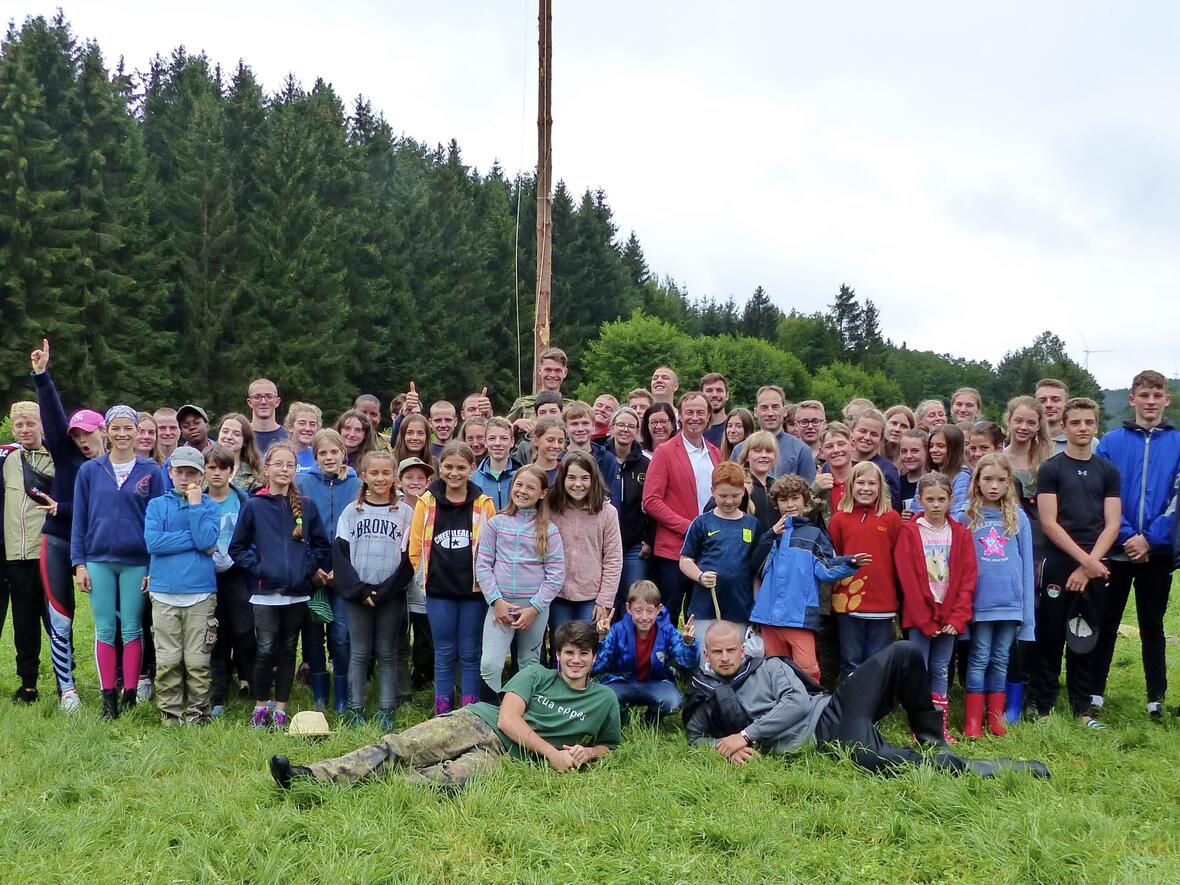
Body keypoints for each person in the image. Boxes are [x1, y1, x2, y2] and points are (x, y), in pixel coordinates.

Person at [269, 621, 620, 790]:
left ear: (593, 657)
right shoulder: (536, 675)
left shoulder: (604, 700)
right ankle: (311, 776)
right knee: (403, 747)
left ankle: (368, 793)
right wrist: (553, 755)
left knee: (446, 781)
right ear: (557, 655)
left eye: (583, 654)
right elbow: (509, 720)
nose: (575, 660)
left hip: (506, 758)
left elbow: (610, 745)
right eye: (568, 653)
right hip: (481, 723)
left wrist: (589, 754)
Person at [683, 621, 1048, 778]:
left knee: (904, 650)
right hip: (828, 739)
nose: (727, 657)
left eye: (732, 649)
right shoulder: (704, 691)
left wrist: (746, 735)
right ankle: (990, 768)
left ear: (743, 648)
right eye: (718, 652)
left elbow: (795, 703)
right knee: (884, 760)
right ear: (707, 653)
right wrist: (724, 746)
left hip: (832, 707)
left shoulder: (769, 667)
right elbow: (695, 739)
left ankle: (932, 738)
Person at [1092, 371, 1179, 720]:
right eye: (1144, 395)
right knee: (1107, 620)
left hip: (1157, 551)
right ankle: (1094, 691)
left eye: (1157, 395)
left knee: (1152, 624)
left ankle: (1156, 696)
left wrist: (1152, 537)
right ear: (1132, 399)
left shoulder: (1177, 442)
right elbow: (1105, 493)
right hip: (1118, 548)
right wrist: (1127, 535)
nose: (1150, 401)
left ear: (1166, 400)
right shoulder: (1112, 442)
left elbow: (1178, 497)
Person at [1030, 397, 1120, 728]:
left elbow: (1112, 523)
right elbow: (1050, 523)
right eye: (1076, 423)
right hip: (1059, 562)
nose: (1083, 428)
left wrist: (1090, 565)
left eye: (1089, 423)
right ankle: (1043, 706)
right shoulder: (1051, 469)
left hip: (1095, 563)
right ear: (1064, 427)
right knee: (1051, 635)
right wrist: (1082, 562)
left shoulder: (1107, 471)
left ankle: (1083, 709)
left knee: (1086, 636)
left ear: (1096, 426)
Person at [71, 405, 165, 719]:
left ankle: (130, 695)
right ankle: (108, 697)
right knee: (105, 629)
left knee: (132, 629)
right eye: (117, 428)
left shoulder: (150, 471)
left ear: (139, 432)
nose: (123, 434)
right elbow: (79, 521)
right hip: (98, 559)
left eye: (129, 428)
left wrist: (153, 567)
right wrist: (79, 563)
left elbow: (159, 521)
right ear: (106, 432)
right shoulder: (90, 471)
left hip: (137, 561)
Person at [229, 442, 330, 729]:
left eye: (290, 465)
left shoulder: (306, 506)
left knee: (288, 650)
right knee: (265, 648)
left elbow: (322, 546)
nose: (284, 470)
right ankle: (261, 707)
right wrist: (260, 569)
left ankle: (281, 709)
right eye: (279, 464)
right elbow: (237, 548)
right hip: (264, 593)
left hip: (296, 593)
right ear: (266, 468)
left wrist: (304, 570)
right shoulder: (254, 505)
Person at [30, 338, 102, 712]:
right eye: (76, 435)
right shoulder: (68, 456)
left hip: (102, 548)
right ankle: (67, 689)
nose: (81, 440)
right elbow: (55, 420)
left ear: (102, 430)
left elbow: (104, 511)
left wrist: (64, 506)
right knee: (60, 615)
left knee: (114, 618)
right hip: (57, 542)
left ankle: (120, 682)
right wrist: (43, 378)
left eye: (87, 433)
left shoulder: (115, 468)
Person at [750, 475, 865, 682]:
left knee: (807, 670)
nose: (790, 504)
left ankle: (809, 708)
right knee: (773, 669)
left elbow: (827, 569)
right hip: (768, 617)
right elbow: (757, 566)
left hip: (799, 617)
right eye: (784, 500)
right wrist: (771, 536)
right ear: (776, 504)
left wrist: (850, 563)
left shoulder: (814, 535)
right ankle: (776, 709)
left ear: (805, 501)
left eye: (795, 498)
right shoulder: (771, 534)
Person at [410, 441, 496, 715]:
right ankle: (443, 710)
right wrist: (421, 578)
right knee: (445, 652)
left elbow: (493, 546)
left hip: (474, 592)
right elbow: (414, 547)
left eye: (461, 467)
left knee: (471, 652)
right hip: (439, 591)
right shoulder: (427, 501)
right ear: (440, 468)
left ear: (472, 468)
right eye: (448, 466)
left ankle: (469, 711)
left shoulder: (484, 503)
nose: (454, 473)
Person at [333, 450, 415, 729]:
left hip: (390, 594)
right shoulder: (350, 512)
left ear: (395, 477)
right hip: (358, 595)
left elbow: (408, 559)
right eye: (374, 473)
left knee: (387, 652)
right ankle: (356, 708)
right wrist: (360, 591)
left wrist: (385, 591)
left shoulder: (405, 513)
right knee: (359, 651)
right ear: (363, 475)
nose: (380, 478)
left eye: (386, 473)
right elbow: (341, 556)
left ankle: (386, 709)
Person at [895, 472, 978, 742]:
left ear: (950, 500)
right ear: (919, 500)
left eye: (941, 499)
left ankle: (938, 727)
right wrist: (925, 621)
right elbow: (907, 579)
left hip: (950, 616)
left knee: (941, 668)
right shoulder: (909, 533)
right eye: (929, 499)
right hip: (921, 618)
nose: (935, 505)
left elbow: (968, 578)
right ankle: (919, 725)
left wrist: (957, 617)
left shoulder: (960, 534)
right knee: (920, 669)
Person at [143, 446, 219, 726]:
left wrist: (196, 506)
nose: (186, 478)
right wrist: (194, 540)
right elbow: (154, 543)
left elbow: (207, 540)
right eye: (180, 471)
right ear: (170, 472)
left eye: (192, 473)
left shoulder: (209, 506)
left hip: (200, 592)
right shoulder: (156, 506)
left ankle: (198, 714)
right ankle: (170, 715)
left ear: (201, 475)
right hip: (164, 592)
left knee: (198, 660)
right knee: (168, 659)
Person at [962, 453, 1035, 738]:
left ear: (1009, 483)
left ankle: (995, 718)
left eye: (1001, 480)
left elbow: (1027, 567)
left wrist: (1027, 619)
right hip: (980, 605)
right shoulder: (965, 517)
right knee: (979, 657)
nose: (994, 485)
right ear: (977, 481)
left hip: (1010, 605)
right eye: (987, 479)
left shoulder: (1018, 518)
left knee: (1002, 658)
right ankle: (972, 721)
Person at [477, 466, 565, 694]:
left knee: (528, 663)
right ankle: (493, 709)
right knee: (490, 664)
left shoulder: (549, 530)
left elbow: (555, 575)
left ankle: (523, 712)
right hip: (500, 606)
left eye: (530, 487)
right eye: (519, 484)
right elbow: (483, 565)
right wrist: (496, 601)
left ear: (543, 493)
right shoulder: (496, 523)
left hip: (533, 608)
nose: (523, 491)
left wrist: (534, 609)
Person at [296, 429, 362, 712]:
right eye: (322, 453)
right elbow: (297, 526)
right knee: (312, 634)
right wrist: (314, 568)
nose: (329, 457)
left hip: (344, 569)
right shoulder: (303, 482)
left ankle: (342, 693)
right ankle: (319, 694)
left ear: (343, 453)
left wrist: (341, 570)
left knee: (340, 633)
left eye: (334, 452)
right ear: (315, 456)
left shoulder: (356, 483)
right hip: (311, 568)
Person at [643, 392, 720, 623]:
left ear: (708, 417)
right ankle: (662, 658)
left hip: (707, 549)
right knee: (668, 614)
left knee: (700, 615)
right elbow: (651, 501)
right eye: (689, 412)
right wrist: (689, 527)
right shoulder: (665, 451)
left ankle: (693, 658)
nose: (694, 418)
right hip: (673, 550)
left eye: (700, 413)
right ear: (680, 416)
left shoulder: (716, 453)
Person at [828, 462, 904, 679]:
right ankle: (850, 705)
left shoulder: (891, 519)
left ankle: (874, 706)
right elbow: (836, 556)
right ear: (851, 486)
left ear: (881, 487)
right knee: (850, 658)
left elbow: (898, 557)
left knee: (877, 658)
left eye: (872, 483)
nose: (866, 488)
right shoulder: (839, 520)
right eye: (860, 482)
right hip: (848, 602)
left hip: (881, 600)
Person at [679, 462, 766, 642]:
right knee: (705, 655)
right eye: (723, 495)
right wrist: (701, 576)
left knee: (737, 655)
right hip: (705, 606)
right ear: (712, 490)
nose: (729, 501)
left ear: (743, 491)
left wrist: (757, 605)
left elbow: (757, 570)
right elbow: (685, 560)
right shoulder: (701, 523)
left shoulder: (753, 524)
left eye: (735, 495)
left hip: (740, 605)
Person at [3, 401, 52, 703]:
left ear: (41, 425)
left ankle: (65, 680)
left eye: (30, 423)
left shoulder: (56, 458)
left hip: (46, 552)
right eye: (19, 424)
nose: (24, 429)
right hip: (15, 555)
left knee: (56, 621)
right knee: (23, 623)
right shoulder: (7, 459)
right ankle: (28, 684)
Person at [593, 580, 698, 720]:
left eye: (650, 611)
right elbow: (598, 666)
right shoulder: (617, 631)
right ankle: (621, 715)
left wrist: (688, 643)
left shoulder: (667, 631)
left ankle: (651, 718)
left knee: (673, 703)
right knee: (603, 699)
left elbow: (688, 664)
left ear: (659, 609)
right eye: (638, 610)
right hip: (621, 682)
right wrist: (601, 638)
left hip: (656, 682)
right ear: (629, 608)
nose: (644, 617)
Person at [548, 452, 622, 637]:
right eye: (571, 478)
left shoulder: (607, 512)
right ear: (562, 478)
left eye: (585, 478)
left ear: (593, 479)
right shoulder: (551, 508)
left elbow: (613, 558)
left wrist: (604, 600)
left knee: (586, 644)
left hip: (591, 595)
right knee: (560, 642)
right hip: (557, 593)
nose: (578, 484)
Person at [205, 445, 254, 718]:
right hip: (207, 575)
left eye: (222, 468)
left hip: (238, 572)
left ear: (231, 471)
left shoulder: (243, 500)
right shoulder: (197, 500)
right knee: (216, 633)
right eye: (211, 468)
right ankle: (218, 692)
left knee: (245, 629)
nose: (216, 473)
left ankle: (248, 677)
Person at [594, 406, 651, 613]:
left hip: (633, 544)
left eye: (631, 426)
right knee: (604, 600)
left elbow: (651, 505)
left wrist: (649, 538)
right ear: (611, 428)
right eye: (621, 425)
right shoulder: (598, 459)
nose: (625, 429)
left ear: (637, 431)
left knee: (633, 599)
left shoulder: (646, 464)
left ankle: (630, 644)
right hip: (600, 543)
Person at [396, 456, 435, 696]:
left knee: (425, 636)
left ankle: (422, 678)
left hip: (423, 584)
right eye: (409, 477)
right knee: (400, 636)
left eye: (421, 478)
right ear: (399, 481)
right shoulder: (394, 507)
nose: (415, 482)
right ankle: (399, 685)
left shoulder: (433, 505)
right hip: (398, 583)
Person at [735, 386, 816, 482]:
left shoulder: (801, 451)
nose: (770, 413)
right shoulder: (741, 450)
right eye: (764, 408)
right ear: (756, 412)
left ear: (785, 411)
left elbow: (808, 492)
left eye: (775, 407)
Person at [849, 409, 902, 511]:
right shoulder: (838, 463)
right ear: (852, 431)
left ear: (881, 439)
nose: (867, 437)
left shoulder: (887, 470)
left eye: (874, 434)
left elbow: (892, 509)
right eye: (862, 431)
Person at [506, 347, 572, 425]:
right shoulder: (523, 404)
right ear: (539, 370)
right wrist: (515, 425)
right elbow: (502, 431)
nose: (552, 375)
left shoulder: (572, 408)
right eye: (548, 370)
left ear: (565, 372)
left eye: (558, 370)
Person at [472, 417, 521, 511]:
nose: (497, 443)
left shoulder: (521, 476)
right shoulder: (474, 479)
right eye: (492, 438)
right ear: (485, 442)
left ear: (512, 442)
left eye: (504, 438)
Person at [923, 424, 970, 519]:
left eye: (940, 446)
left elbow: (957, 515)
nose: (933, 450)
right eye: (931, 446)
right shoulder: (925, 476)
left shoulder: (962, 477)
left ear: (954, 449)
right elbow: (918, 509)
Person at [811, 423, 853, 525]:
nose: (836, 450)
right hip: (828, 540)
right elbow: (802, 518)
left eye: (841, 444)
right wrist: (814, 490)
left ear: (852, 445)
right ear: (821, 452)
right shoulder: (820, 485)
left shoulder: (866, 480)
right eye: (829, 446)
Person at [216, 412, 263, 492]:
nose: (229, 437)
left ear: (245, 441)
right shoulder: (204, 468)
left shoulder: (254, 476)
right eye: (225, 431)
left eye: (236, 434)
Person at [247, 378, 289, 454]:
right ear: (250, 402)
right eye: (257, 397)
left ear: (277, 401)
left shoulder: (288, 437)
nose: (263, 402)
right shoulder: (241, 436)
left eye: (269, 397)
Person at [1034, 378, 1071, 453]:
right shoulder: (1025, 442)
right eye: (1042, 401)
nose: (1048, 405)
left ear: (1067, 404)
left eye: (1055, 400)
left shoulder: (1088, 443)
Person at [897, 428, 928, 515]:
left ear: (927, 451)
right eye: (904, 451)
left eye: (914, 451)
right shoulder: (898, 484)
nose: (908, 456)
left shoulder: (936, 482)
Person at [284, 401, 322, 472]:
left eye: (312, 424)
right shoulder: (276, 455)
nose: (308, 428)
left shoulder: (320, 455)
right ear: (290, 427)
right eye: (302, 423)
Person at [528, 416, 566, 486]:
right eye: (550, 440)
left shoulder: (566, 473)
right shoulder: (525, 473)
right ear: (536, 440)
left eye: (560, 441)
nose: (556, 446)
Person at [700, 372, 730, 448]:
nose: (714, 395)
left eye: (719, 390)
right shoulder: (694, 429)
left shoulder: (735, 429)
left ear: (727, 395)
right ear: (701, 396)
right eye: (709, 390)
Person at [795, 400, 827, 467]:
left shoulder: (832, 454)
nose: (810, 426)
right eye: (804, 422)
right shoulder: (787, 455)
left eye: (815, 421)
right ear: (796, 425)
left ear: (824, 424)